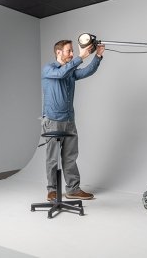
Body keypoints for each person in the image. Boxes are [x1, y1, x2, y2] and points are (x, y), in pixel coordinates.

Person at [41, 39, 105, 201]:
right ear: (58, 52)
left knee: (70, 156)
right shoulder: (49, 69)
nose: (72, 54)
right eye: (69, 51)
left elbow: (86, 72)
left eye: (72, 51)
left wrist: (97, 56)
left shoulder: (69, 72)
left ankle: (73, 189)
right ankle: (52, 190)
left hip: (69, 120)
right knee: (53, 158)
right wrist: (81, 57)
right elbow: (61, 73)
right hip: (53, 121)